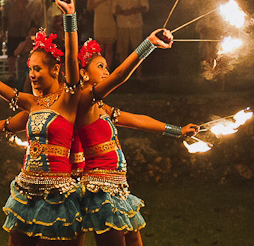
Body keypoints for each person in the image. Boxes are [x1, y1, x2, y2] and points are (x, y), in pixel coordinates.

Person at [0, 0, 81, 245]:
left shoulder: (69, 99)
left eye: (38, 69)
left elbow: (70, 55)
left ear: (55, 69)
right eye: (29, 69)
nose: (32, 74)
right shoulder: (31, 103)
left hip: (57, 192)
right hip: (26, 190)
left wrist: (70, 16)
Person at [73, 38, 197, 246]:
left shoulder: (103, 108)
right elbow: (120, 75)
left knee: (133, 241)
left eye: (107, 66)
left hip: (118, 186)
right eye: (100, 66)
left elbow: (139, 121)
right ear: (83, 73)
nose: (106, 71)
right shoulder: (83, 102)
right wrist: (149, 43)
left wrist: (178, 131)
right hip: (100, 190)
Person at [111, 0, 149, 74]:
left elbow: (145, 7)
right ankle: (122, 75)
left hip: (135, 24)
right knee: (122, 50)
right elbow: (114, 10)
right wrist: (121, 11)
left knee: (138, 50)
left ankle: (139, 74)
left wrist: (135, 10)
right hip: (122, 24)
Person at [2, 0, 32, 83]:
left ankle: (22, 73)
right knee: (11, 54)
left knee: (24, 53)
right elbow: (4, 18)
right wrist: (3, 31)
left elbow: (33, 17)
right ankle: (11, 74)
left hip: (25, 31)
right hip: (12, 31)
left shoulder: (30, 2)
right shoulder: (8, 2)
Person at [87, 0, 116, 67]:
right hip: (99, 21)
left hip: (110, 21)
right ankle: (99, 68)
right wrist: (101, 0)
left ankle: (108, 69)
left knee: (109, 48)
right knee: (100, 48)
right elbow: (89, 7)